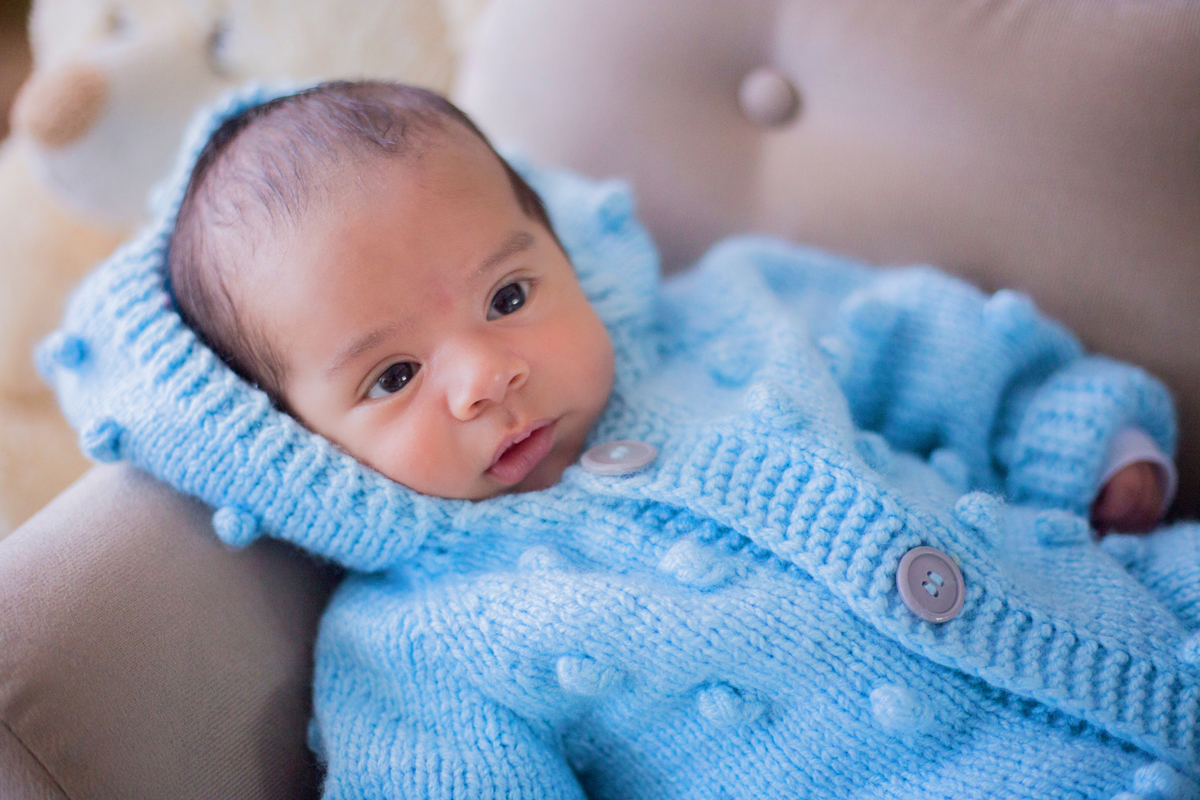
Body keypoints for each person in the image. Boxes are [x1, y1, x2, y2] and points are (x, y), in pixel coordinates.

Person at [42, 80, 1200, 798]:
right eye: (393, 374)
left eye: (506, 296)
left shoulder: (732, 319)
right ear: (292, 442)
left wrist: (1071, 438)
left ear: (554, 243)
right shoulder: (420, 646)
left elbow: (929, 344)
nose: (486, 373)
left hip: (1132, 599)